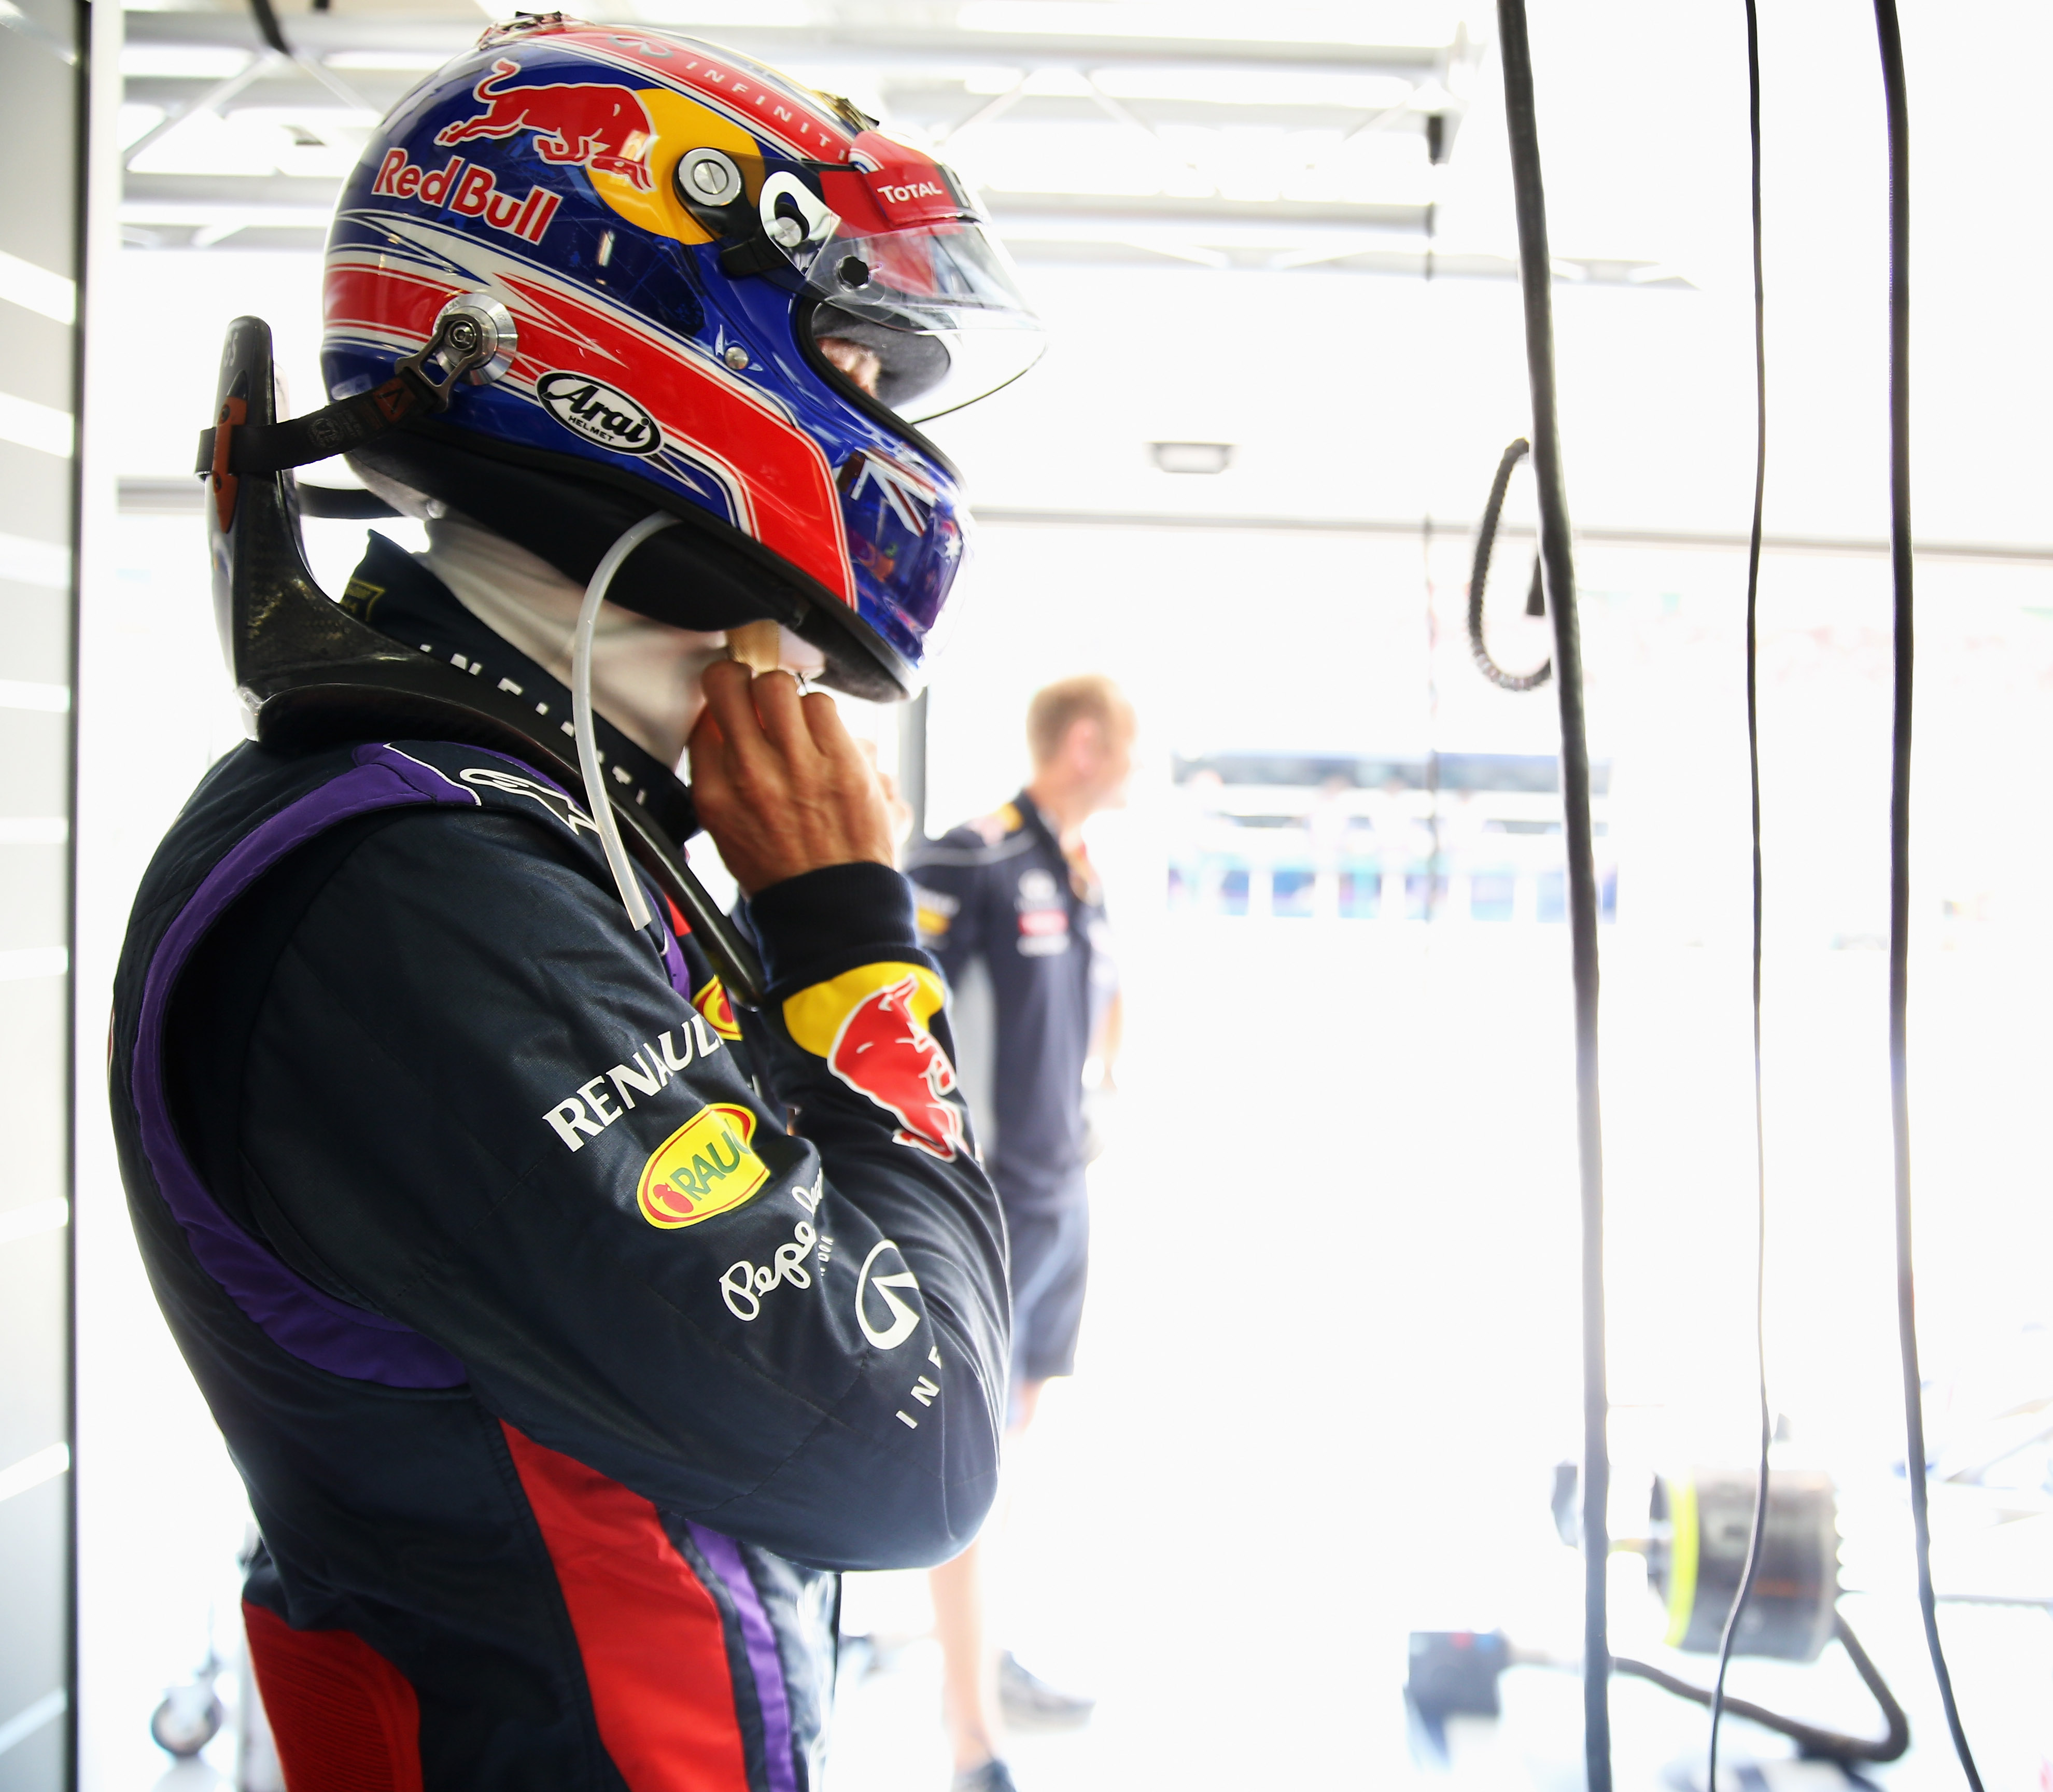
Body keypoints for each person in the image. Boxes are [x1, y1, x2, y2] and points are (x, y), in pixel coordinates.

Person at [111, 18, 1047, 1788]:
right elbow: (912, 1451)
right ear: (646, 345)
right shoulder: (420, 888)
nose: (880, 416)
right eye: (854, 356)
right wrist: (852, 939)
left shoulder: (533, 822)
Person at [906, 676, 1135, 1792]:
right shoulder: (976, 859)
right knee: (967, 1464)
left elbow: (1103, 997)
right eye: (1128, 743)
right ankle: (973, 1740)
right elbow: (894, 1014)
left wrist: (1108, 1079)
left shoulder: (1082, 872)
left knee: (1009, 1450)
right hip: (989, 1211)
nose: (1134, 762)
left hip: (1061, 1205)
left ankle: (985, 1665)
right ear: (1085, 743)